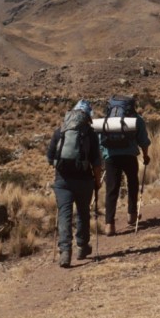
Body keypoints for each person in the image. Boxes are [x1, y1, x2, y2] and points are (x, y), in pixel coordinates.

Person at [46, 100, 102, 268]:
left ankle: (65, 252)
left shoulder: (60, 131)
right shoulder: (90, 134)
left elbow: (50, 157)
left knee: (65, 214)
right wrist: (97, 182)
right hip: (84, 181)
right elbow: (97, 163)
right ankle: (82, 247)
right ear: (87, 116)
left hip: (62, 181)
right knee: (83, 213)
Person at [99, 95, 151, 235]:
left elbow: (100, 140)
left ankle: (109, 225)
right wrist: (145, 156)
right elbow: (143, 141)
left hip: (111, 157)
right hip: (129, 155)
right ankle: (131, 216)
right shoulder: (136, 119)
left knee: (112, 189)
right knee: (132, 183)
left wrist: (104, 155)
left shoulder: (107, 119)